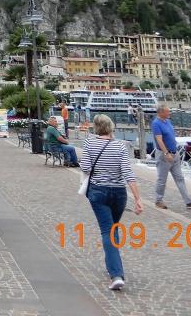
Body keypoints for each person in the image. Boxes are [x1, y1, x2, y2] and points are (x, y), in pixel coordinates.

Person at [81, 114, 143, 291]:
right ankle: (112, 265)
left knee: (108, 230)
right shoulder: (120, 146)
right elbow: (128, 174)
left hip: (98, 192)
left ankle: (116, 274)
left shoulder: (89, 143)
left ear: (96, 127)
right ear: (111, 127)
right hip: (118, 193)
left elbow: (85, 167)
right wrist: (138, 199)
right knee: (112, 229)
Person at [151, 103, 191, 210]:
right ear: (161, 112)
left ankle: (188, 201)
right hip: (164, 155)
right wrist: (166, 153)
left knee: (180, 178)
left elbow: (170, 136)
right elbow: (159, 139)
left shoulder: (168, 121)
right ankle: (158, 200)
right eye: (167, 111)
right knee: (162, 179)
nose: (169, 113)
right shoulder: (156, 123)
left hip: (174, 154)